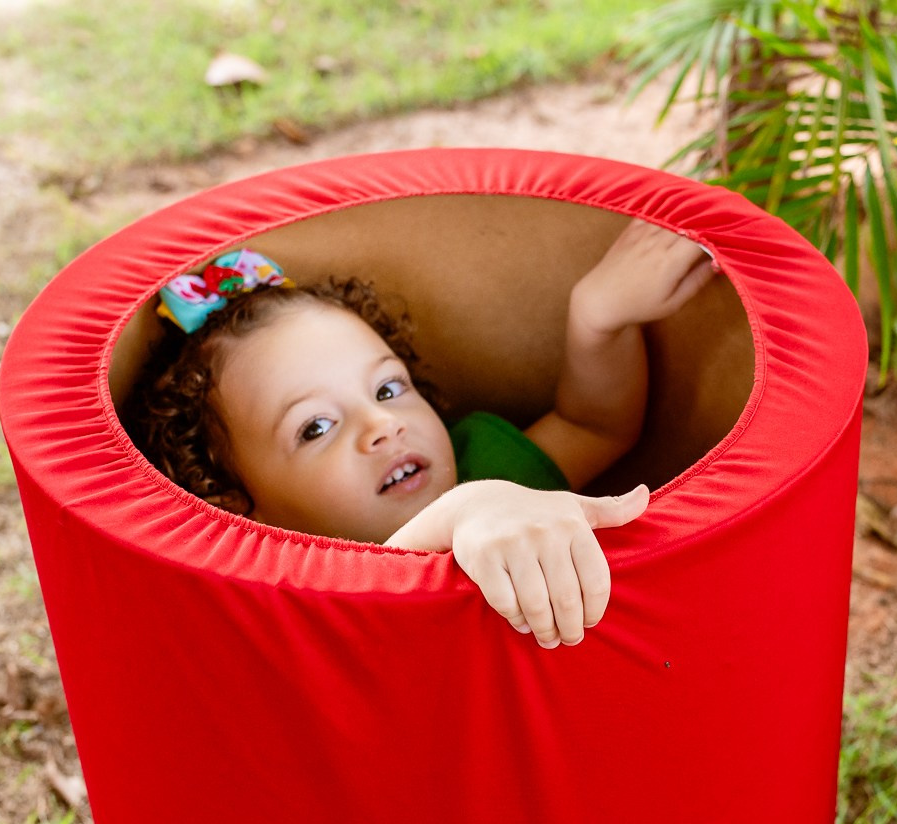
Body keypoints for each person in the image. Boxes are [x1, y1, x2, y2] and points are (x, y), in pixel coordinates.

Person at [124, 223, 719, 647]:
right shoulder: (287, 605)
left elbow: (592, 426)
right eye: (316, 427)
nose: (383, 426)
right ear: (242, 507)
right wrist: (469, 509)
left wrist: (596, 319)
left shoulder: (481, 459)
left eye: (386, 389)